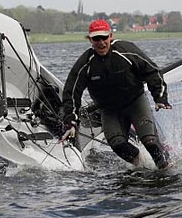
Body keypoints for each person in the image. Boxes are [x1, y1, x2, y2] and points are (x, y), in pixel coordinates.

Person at [60, 19, 172, 169]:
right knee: (118, 145)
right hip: (109, 110)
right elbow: (71, 92)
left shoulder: (126, 50)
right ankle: (142, 167)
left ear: (110, 36)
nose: (101, 43)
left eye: (104, 38)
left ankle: (167, 169)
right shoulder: (85, 63)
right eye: (96, 39)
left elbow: (152, 71)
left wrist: (160, 98)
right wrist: (71, 122)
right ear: (89, 40)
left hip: (136, 103)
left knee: (150, 142)